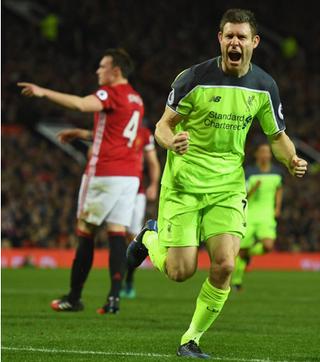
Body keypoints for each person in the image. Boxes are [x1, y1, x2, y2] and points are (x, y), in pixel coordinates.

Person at [126, 9, 307, 358]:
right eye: (229, 36)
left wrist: (293, 159)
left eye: (241, 36)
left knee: (225, 264)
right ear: (220, 40)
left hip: (227, 186)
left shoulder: (264, 86)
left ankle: (190, 340)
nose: (235, 42)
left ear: (254, 42)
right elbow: (163, 125)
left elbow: (277, 136)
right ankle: (150, 235)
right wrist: (170, 142)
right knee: (181, 272)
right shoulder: (194, 78)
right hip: (183, 184)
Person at [18, 48, 145, 314]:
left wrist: (44, 92)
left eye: (102, 66)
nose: (97, 71)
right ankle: (114, 298)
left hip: (104, 173)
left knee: (86, 231)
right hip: (130, 176)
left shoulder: (110, 93)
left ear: (116, 71)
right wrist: (83, 133)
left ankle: (74, 297)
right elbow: (118, 133)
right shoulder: (136, 99)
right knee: (116, 234)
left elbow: (80, 104)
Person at [231, 143, 283, 290]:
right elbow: (243, 194)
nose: (265, 154)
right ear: (257, 155)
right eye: (262, 151)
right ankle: (236, 281)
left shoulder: (277, 172)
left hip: (267, 214)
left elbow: (279, 189)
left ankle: (249, 255)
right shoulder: (249, 172)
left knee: (268, 246)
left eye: (267, 152)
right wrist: (254, 188)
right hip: (250, 214)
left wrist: (277, 207)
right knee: (241, 250)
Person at [121, 125, 160, 299]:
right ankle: (117, 285)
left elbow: (153, 162)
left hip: (136, 192)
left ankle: (127, 281)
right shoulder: (110, 127)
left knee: (131, 237)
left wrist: (153, 184)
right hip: (113, 189)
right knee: (116, 235)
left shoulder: (143, 133)